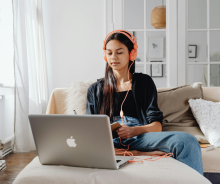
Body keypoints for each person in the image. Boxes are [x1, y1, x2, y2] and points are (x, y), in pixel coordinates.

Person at [86, 30, 203, 175]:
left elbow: (157, 126)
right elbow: (90, 132)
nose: (113, 57)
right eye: (109, 53)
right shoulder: (95, 89)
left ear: (131, 54)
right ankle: (130, 152)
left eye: (119, 52)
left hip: (141, 136)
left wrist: (134, 131)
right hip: (110, 142)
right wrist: (135, 153)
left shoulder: (144, 82)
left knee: (187, 141)